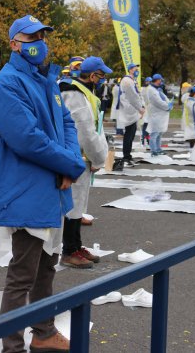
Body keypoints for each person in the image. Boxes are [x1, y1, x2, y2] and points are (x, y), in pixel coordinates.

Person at [0, 14, 85, 353]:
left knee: (46, 267)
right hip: (22, 191)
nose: (40, 43)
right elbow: (27, 139)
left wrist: (70, 162)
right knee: (22, 273)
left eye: (43, 36)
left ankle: (43, 332)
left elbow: (66, 123)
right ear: (14, 44)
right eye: (31, 37)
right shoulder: (7, 84)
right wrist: (69, 164)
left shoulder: (45, 80)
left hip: (49, 188)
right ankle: (12, 346)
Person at [59, 56, 111, 269]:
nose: (102, 80)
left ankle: (75, 246)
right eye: (101, 76)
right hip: (77, 156)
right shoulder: (76, 95)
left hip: (81, 156)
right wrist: (99, 157)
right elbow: (85, 132)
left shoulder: (82, 93)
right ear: (92, 75)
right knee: (72, 205)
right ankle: (69, 250)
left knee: (78, 205)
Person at [116, 63, 145, 166]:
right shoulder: (127, 81)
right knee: (129, 135)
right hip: (129, 111)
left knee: (131, 134)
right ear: (130, 70)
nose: (137, 70)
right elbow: (133, 97)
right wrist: (140, 108)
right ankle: (126, 156)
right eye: (135, 69)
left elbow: (138, 95)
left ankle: (127, 155)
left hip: (132, 111)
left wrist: (141, 107)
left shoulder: (132, 80)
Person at [146, 74, 172, 156]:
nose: (161, 82)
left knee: (159, 133)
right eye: (160, 80)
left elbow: (164, 98)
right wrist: (167, 106)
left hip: (160, 115)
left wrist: (169, 103)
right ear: (157, 80)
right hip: (156, 114)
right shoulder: (151, 90)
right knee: (154, 133)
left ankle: (158, 149)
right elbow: (158, 102)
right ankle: (154, 150)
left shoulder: (157, 89)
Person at [140, 76, 152, 147]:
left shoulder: (143, 89)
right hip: (147, 109)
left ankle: (145, 140)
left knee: (145, 126)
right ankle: (145, 140)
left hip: (145, 109)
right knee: (146, 126)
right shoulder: (148, 89)